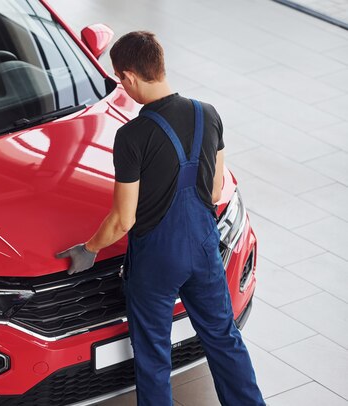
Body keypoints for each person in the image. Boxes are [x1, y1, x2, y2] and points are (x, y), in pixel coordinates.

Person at [55, 31, 265, 405]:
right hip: (203, 249)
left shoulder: (132, 136)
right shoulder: (207, 113)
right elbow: (216, 191)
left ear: (130, 77)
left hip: (156, 261)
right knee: (223, 337)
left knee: (153, 355)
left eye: (121, 79)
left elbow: (123, 218)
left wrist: (89, 248)